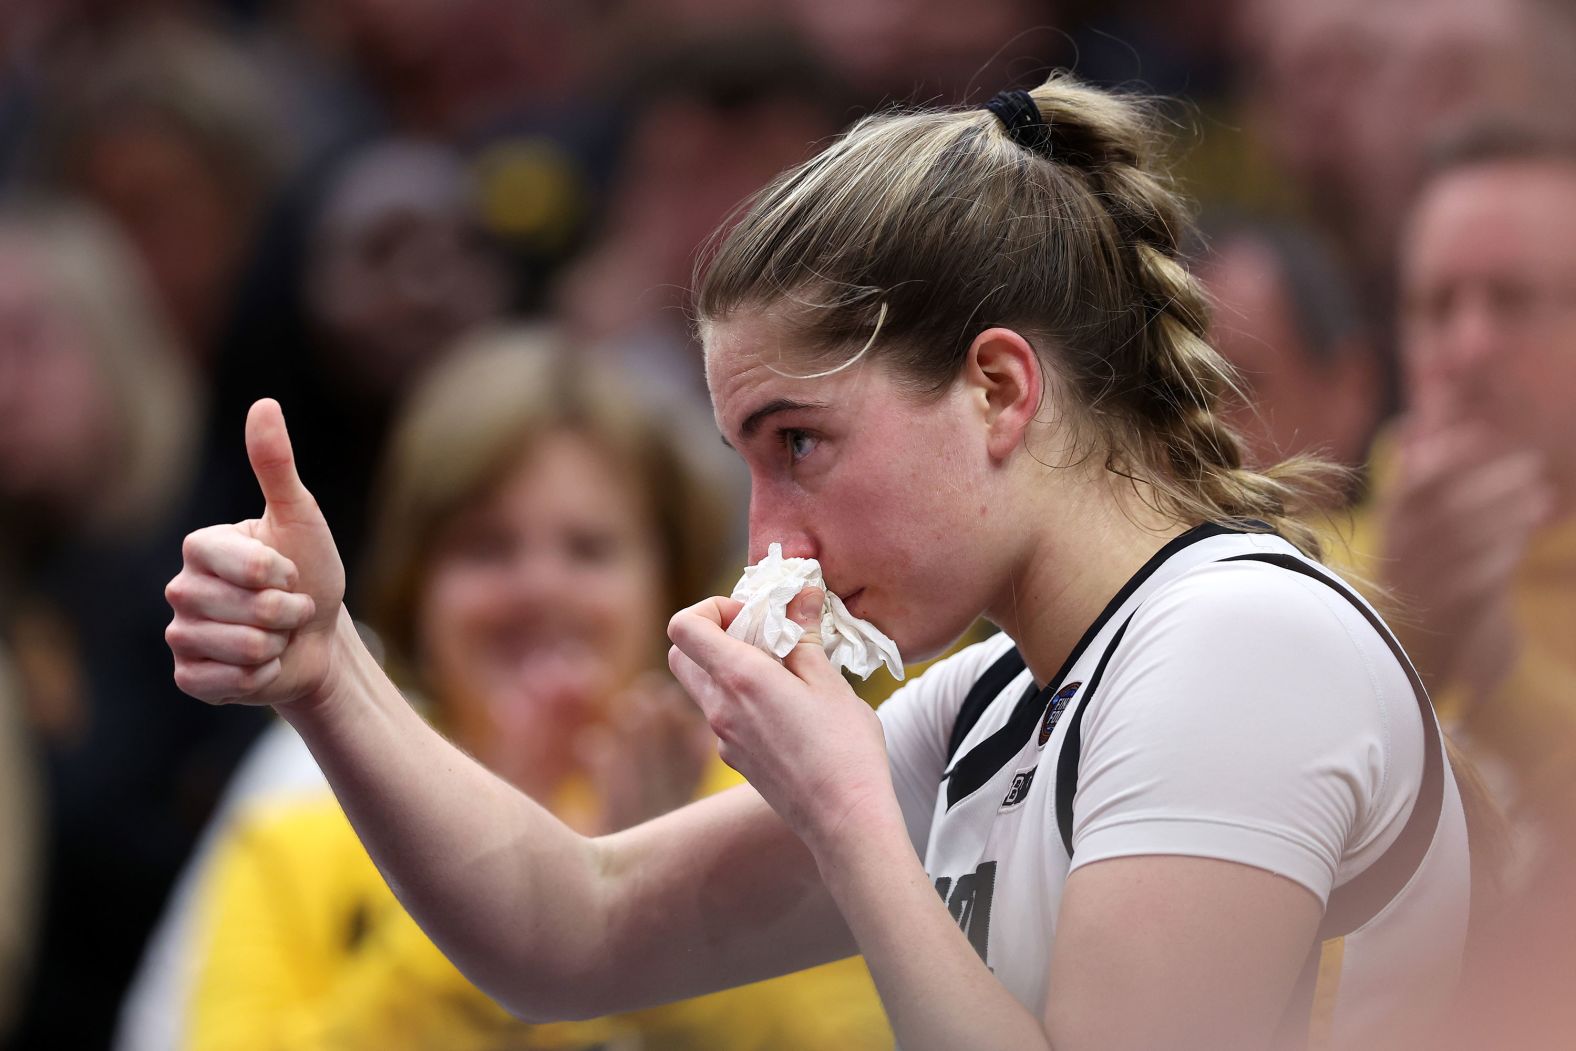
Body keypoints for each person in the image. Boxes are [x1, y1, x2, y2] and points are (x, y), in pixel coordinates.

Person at [166, 74, 1470, 1050]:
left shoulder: (1237, 643)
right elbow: (577, 925)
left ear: (999, 388)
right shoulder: (1000, 699)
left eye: (801, 441)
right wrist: (329, 667)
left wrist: (848, 807)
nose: (766, 540)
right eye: (743, 453)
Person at [173, 328, 889, 1050]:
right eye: (488, 546)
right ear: (414, 582)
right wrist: (483, 873)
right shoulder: (293, 842)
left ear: (667, 582)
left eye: (589, 547)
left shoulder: (785, 803)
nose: (540, 589)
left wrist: (670, 905)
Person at [1346, 120, 1576, 1047]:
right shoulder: (1300, 560)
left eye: (1516, 302)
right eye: (1435, 307)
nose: (1470, 346)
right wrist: (1401, 642)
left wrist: (1500, 675)